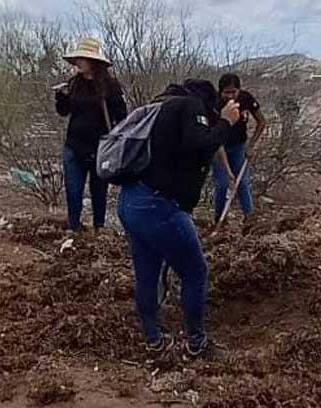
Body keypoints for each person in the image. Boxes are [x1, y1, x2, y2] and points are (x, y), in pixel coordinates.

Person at [117, 79, 240, 359]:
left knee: (147, 274)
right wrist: (226, 122)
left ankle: (154, 340)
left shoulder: (161, 108)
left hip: (131, 202)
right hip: (159, 207)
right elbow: (199, 144)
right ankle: (197, 343)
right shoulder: (191, 105)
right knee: (195, 272)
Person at [56, 38, 128, 232]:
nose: (78, 62)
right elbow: (64, 112)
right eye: (77, 58)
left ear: (93, 61)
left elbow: (122, 117)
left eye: (82, 58)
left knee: (99, 192)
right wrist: (61, 97)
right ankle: (74, 227)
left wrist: (113, 139)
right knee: (73, 191)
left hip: (100, 149)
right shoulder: (73, 84)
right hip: (74, 147)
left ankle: (99, 228)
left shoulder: (110, 86)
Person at [212, 73, 266, 221]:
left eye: (233, 92)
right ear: (220, 91)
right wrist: (228, 171)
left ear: (239, 90)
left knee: (242, 182)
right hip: (219, 148)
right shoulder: (215, 104)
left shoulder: (246, 98)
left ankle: (249, 219)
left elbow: (261, 122)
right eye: (226, 92)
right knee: (222, 184)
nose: (230, 96)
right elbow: (217, 142)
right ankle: (219, 219)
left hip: (239, 147)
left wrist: (251, 146)